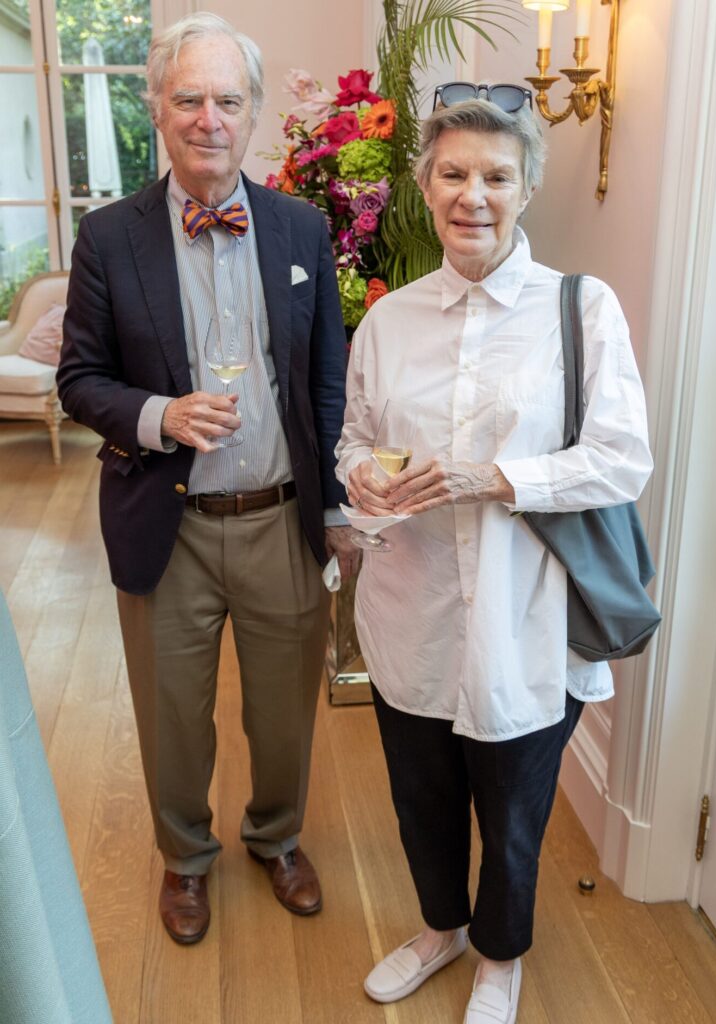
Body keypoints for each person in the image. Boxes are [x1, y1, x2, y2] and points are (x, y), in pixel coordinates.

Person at [336, 88, 653, 1024]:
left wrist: (496, 479)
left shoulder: (580, 310)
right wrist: (363, 478)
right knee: (421, 797)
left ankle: (499, 959)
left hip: (527, 618)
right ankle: (440, 930)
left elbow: (622, 459)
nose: (474, 194)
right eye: (454, 175)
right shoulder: (390, 322)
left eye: (496, 176)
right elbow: (353, 436)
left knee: (513, 813)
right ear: (424, 189)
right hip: (411, 607)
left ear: (526, 189)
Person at [57, 12, 357, 945]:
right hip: (165, 520)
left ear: (255, 111)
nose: (208, 118)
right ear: (159, 108)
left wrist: (339, 504)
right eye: (188, 99)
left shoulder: (304, 227)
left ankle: (277, 837)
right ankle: (185, 857)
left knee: (284, 714)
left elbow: (325, 378)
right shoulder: (110, 238)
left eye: (228, 99)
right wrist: (159, 417)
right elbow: (78, 379)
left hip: (280, 517)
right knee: (172, 717)